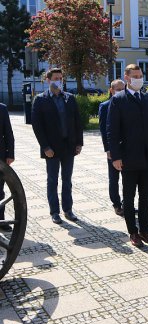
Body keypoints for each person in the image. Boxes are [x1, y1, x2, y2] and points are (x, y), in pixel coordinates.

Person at [107, 64, 148, 248]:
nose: (139, 79)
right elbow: (112, 131)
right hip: (128, 157)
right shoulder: (118, 100)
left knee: (146, 196)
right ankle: (133, 232)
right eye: (135, 76)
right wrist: (115, 157)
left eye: (140, 75)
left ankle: (145, 230)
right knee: (129, 195)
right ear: (126, 78)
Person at [32, 68, 83, 224]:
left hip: (69, 147)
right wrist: (45, 147)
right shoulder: (40, 100)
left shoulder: (69, 98)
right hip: (51, 149)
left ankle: (68, 209)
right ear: (48, 80)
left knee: (67, 180)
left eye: (61, 78)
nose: (59, 81)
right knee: (52, 180)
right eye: (56, 78)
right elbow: (37, 126)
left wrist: (79, 142)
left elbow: (77, 122)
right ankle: (54, 212)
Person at [99, 79, 125, 217]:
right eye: (118, 89)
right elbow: (104, 129)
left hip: (128, 147)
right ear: (111, 90)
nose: (120, 91)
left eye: (123, 89)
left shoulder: (128, 103)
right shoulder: (105, 106)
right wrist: (108, 149)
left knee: (128, 177)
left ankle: (127, 203)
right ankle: (116, 203)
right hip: (113, 148)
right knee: (114, 178)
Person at [0, 103, 15, 231]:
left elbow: (8, 133)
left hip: (0, 158)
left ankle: (1, 220)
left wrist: (10, 154)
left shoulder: (2, 108)